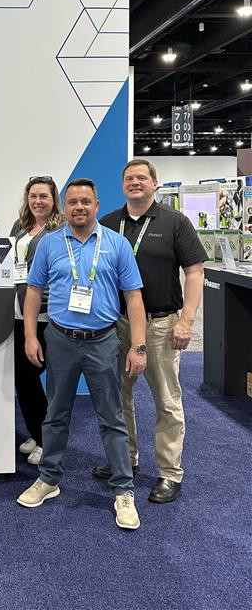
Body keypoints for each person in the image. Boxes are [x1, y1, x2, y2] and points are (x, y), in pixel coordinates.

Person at [16, 178, 147, 531]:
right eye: (73, 201)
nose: (79, 207)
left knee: (111, 417)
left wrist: (138, 346)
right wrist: (30, 336)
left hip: (103, 341)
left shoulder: (116, 244)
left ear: (96, 205)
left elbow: (134, 297)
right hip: (60, 339)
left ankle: (123, 490)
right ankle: (49, 478)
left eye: (85, 202)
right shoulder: (50, 243)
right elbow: (33, 291)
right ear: (66, 206)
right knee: (56, 414)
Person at [93, 159, 206, 503]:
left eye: (142, 177)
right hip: (118, 324)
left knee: (166, 401)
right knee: (118, 397)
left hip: (161, 325)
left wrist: (187, 320)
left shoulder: (175, 222)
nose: (135, 182)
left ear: (154, 184)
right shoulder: (108, 223)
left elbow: (195, 272)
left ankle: (169, 473)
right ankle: (125, 459)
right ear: (122, 184)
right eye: (129, 178)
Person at [10, 176, 64, 466]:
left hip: (48, 314)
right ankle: (36, 431)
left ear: (54, 200)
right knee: (23, 376)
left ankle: (47, 440)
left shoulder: (61, 229)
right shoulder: (19, 227)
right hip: (19, 313)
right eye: (33, 196)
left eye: (44, 196)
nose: (38, 201)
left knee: (49, 379)